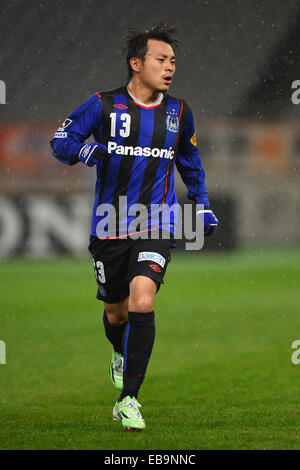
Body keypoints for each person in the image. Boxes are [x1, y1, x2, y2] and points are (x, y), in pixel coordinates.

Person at [50, 23, 218, 432]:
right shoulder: (103, 105)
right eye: (161, 60)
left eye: (173, 61)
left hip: (156, 221)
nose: (170, 67)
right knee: (116, 311)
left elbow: (189, 163)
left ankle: (128, 400)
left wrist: (203, 205)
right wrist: (82, 148)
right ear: (136, 63)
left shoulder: (179, 112)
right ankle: (119, 351)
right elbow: (60, 140)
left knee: (143, 300)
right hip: (109, 224)